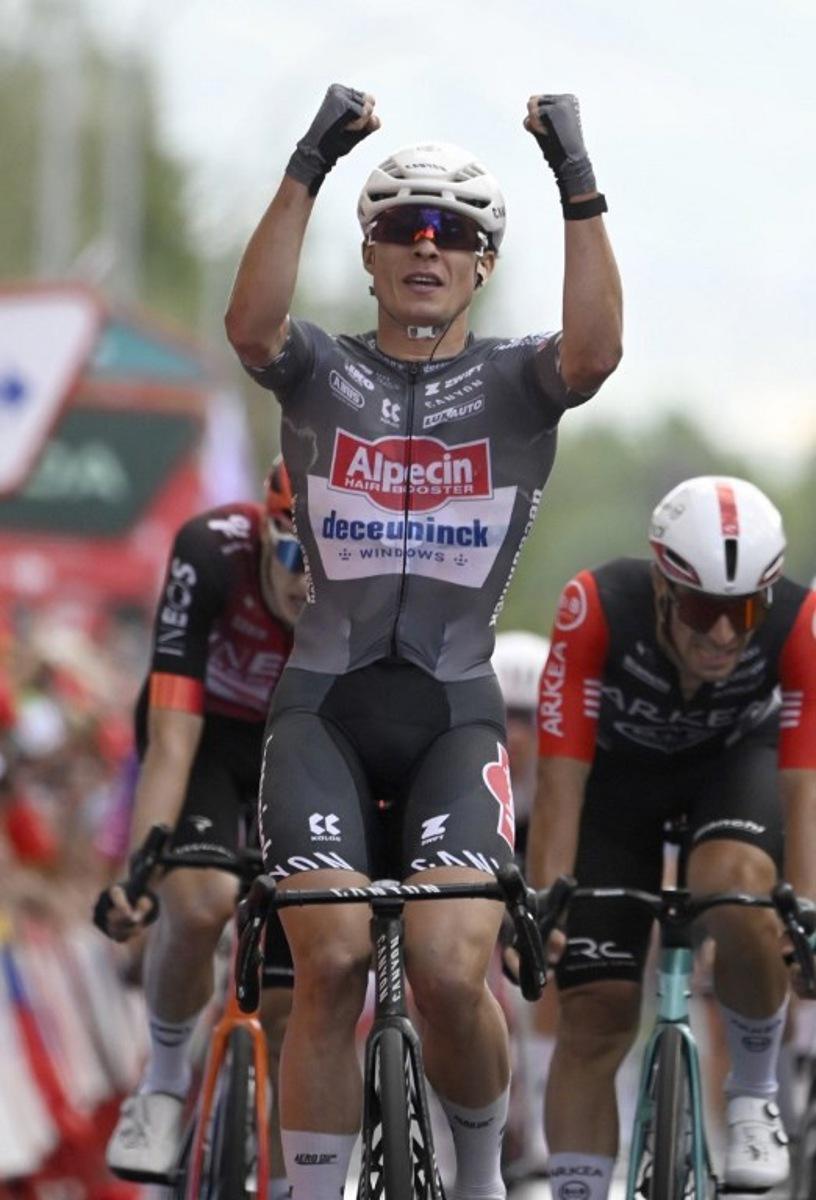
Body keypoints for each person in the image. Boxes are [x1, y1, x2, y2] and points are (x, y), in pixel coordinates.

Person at [224, 82, 622, 1200]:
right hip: (325, 710)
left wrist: (573, 175)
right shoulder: (318, 368)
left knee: (454, 973)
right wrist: (311, 158)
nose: (428, 247)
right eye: (402, 226)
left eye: (456, 234)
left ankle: (488, 1178)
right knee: (332, 965)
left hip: (450, 710)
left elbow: (596, 353)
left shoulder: (513, 384)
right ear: (371, 251)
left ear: (484, 264)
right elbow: (249, 327)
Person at [528, 475, 816, 1200]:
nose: (723, 634)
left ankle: (753, 1096)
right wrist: (542, 903)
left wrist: (807, 907)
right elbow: (561, 774)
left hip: (731, 774)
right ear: (662, 586)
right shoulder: (595, 606)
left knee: (738, 889)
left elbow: (805, 780)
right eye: (702, 609)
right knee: (595, 1014)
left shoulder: (801, 620)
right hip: (615, 794)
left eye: (746, 610)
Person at [98, 460, 307, 1198]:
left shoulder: (364, 588)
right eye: (292, 556)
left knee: (289, 1010)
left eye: (329, 570)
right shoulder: (209, 550)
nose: (307, 587)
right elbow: (172, 740)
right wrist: (139, 871)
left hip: (296, 748)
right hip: (205, 732)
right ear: (264, 534)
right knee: (198, 902)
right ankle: (159, 1085)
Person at [491, 631, 556, 1184]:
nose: (515, 734)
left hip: (531, 868)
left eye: (528, 718)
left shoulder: (558, 772)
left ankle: (539, 1125)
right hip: (477, 862)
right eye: (502, 716)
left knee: (548, 965)